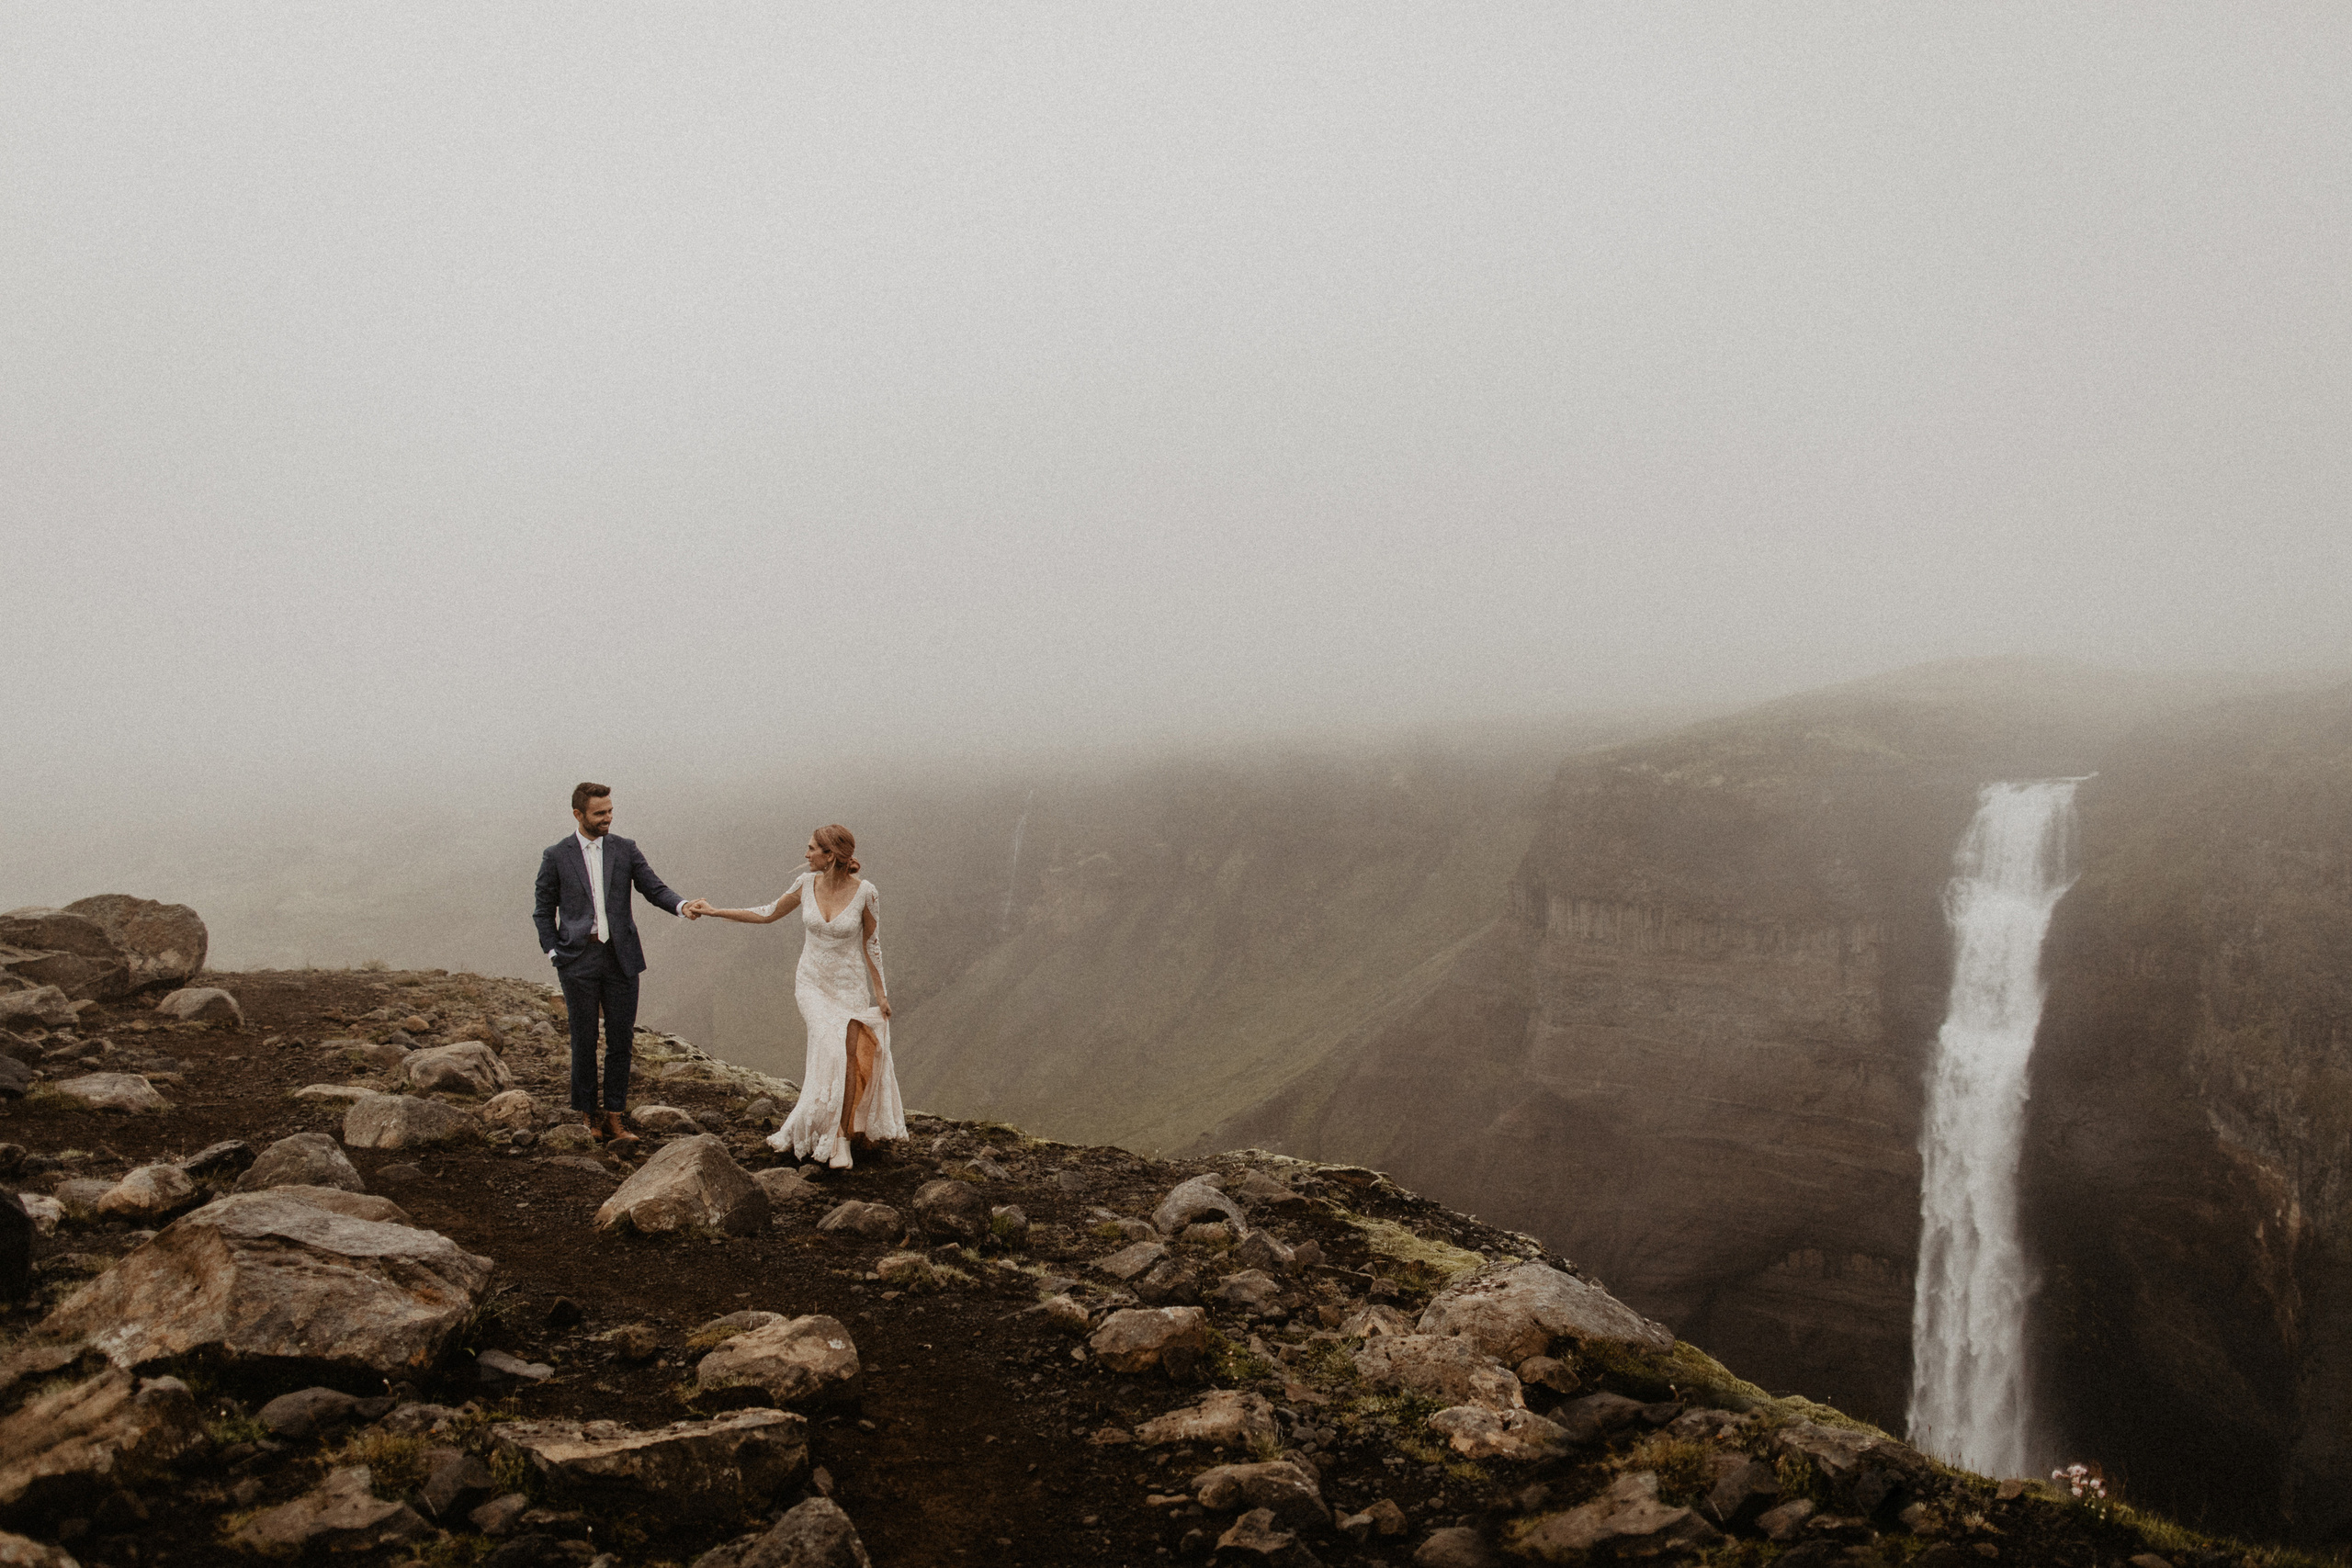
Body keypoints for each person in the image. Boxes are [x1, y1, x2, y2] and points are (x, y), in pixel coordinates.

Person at [685, 823, 905, 1168]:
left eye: (812, 849)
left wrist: (881, 993)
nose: (806, 855)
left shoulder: (866, 893)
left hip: (849, 987)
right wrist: (716, 911)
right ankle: (824, 1131)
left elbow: (871, 942)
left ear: (830, 855)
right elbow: (768, 913)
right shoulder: (805, 884)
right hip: (812, 984)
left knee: (850, 1060)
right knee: (832, 1051)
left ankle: (841, 1139)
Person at [532, 782, 701, 1147]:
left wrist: (682, 905)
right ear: (578, 814)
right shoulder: (556, 855)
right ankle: (587, 1115)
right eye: (599, 813)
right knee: (584, 1039)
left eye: (610, 811)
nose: (608, 817)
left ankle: (614, 1117)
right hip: (577, 960)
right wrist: (554, 953)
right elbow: (543, 910)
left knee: (621, 1040)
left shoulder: (625, 849)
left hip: (621, 957)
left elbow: (654, 888)